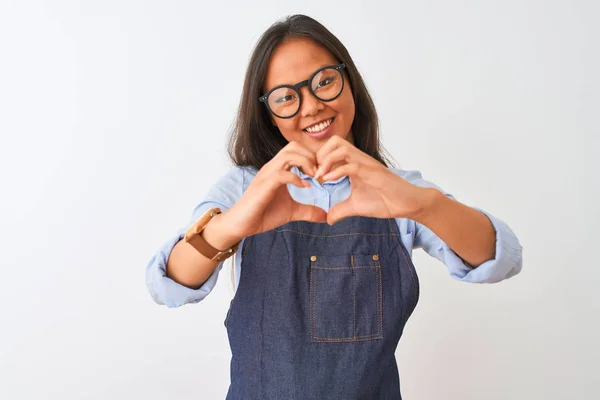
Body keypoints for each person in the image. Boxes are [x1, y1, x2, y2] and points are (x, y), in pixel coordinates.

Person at [145, 14, 523, 400]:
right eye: (286, 97)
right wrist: (231, 226)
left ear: (350, 84)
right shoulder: (245, 187)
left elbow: (502, 259)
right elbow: (169, 285)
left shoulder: (396, 190)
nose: (310, 106)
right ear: (270, 116)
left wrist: (424, 206)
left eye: (324, 81)